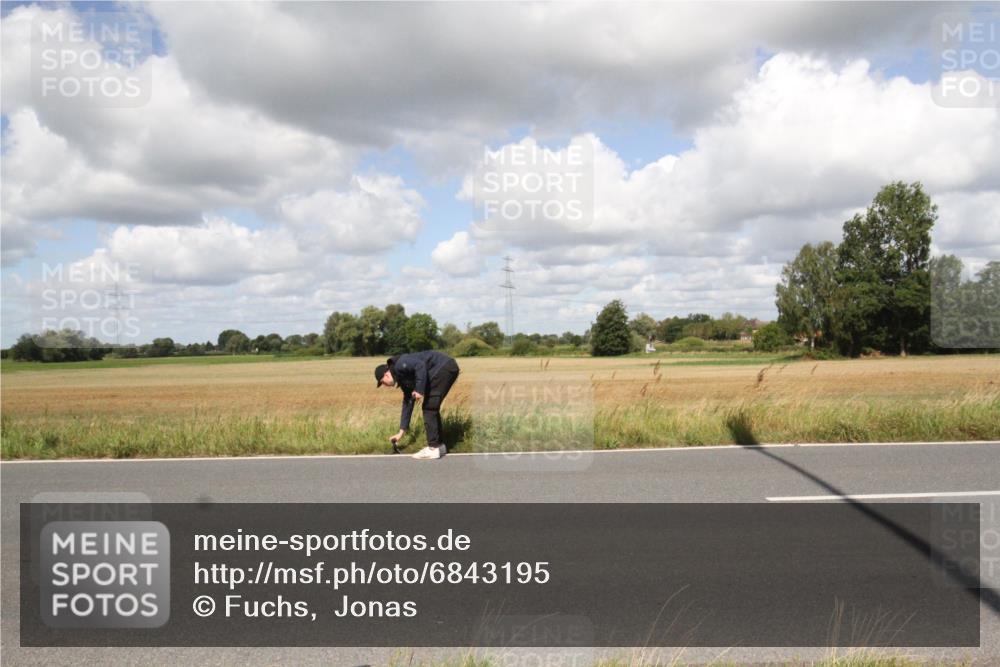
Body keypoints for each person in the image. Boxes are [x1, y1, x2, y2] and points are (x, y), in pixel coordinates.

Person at [375, 350, 460, 460]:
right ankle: (439, 446)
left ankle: (433, 448)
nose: (384, 386)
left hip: (443, 366)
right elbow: (407, 403)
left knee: (429, 408)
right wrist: (401, 431)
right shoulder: (403, 379)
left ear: (386, 375)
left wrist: (419, 390)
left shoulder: (400, 364)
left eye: (382, 382)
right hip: (446, 367)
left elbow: (420, 366)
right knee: (431, 408)